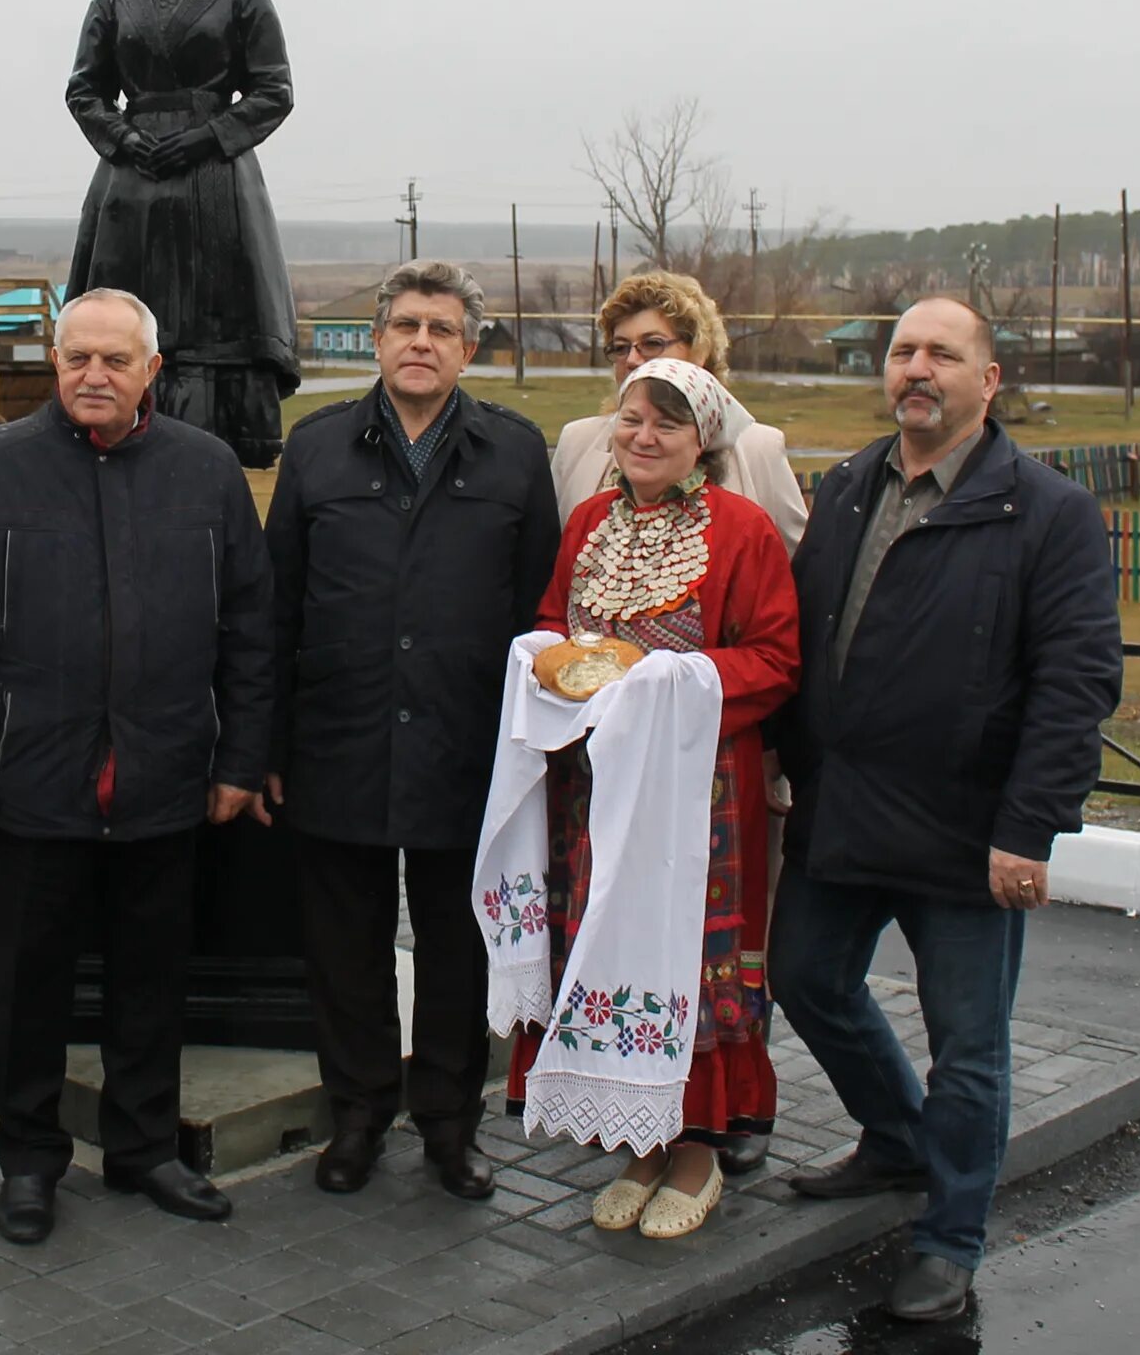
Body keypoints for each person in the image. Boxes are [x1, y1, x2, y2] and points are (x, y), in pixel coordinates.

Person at [769, 297, 1121, 1324]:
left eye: (942, 354)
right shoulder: (846, 485)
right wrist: (786, 759)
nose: (917, 369)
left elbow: (1076, 682)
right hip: (842, 811)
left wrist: (1030, 826)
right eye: (903, 351)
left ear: (988, 379)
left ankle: (949, 1234)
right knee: (804, 976)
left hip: (969, 831)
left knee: (969, 1043)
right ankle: (895, 1138)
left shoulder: (1047, 511)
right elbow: (809, 637)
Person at [0, 288, 274, 1246]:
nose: (94, 376)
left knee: (150, 982)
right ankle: (29, 1161)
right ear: (55, 362)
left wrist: (241, 755)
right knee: (28, 986)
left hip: (164, 778)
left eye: (115, 360)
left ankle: (144, 1150)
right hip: (32, 782)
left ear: (152, 371)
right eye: (77, 358)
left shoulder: (206, 472)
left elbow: (250, 628)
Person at [264, 260, 558, 1199]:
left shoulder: (514, 452)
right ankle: (355, 1115)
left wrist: (533, 751)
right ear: (377, 340)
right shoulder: (314, 450)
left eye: (440, 328)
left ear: (469, 348)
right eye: (404, 326)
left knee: (455, 950)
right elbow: (276, 610)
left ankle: (447, 1123)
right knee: (343, 951)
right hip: (336, 745)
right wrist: (266, 747)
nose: (420, 342)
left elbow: (538, 617)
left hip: (466, 753)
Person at [507, 357, 799, 1240]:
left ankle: (700, 1150)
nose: (642, 437)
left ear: (700, 438)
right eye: (632, 418)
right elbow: (559, 616)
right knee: (612, 944)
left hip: (695, 790)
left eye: (665, 425)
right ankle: (642, 1142)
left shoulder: (741, 531)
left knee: (688, 960)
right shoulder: (591, 520)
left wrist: (670, 678)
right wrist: (547, 653)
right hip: (593, 783)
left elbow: (777, 660)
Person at [62, 0, 302, 468]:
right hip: (130, 188)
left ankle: (226, 445)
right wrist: (124, 139)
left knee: (221, 324)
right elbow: (84, 90)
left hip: (218, 184)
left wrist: (206, 137)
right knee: (119, 316)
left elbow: (274, 89)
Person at [549, 272, 807, 546]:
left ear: (699, 351)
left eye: (652, 344)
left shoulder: (758, 448)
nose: (633, 360)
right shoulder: (578, 442)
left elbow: (797, 565)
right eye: (621, 348)